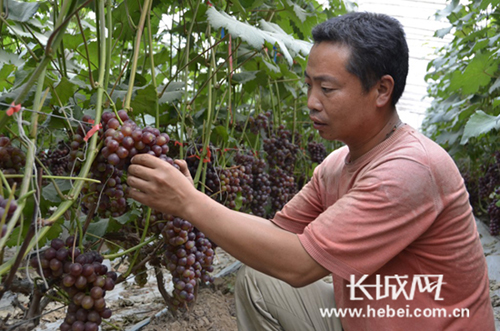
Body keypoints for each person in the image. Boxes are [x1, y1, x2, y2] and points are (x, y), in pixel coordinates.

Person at [126, 12, 495, 331]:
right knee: (259, 282)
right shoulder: (336, 165)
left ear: (382, 90)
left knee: (281, 271)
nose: (311, 102)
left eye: (327, 88)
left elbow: (300, 265)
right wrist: (195, 199)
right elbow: (277, 235)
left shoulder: (409, 169)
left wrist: (188, 203)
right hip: (367, 317)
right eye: (308, 85)